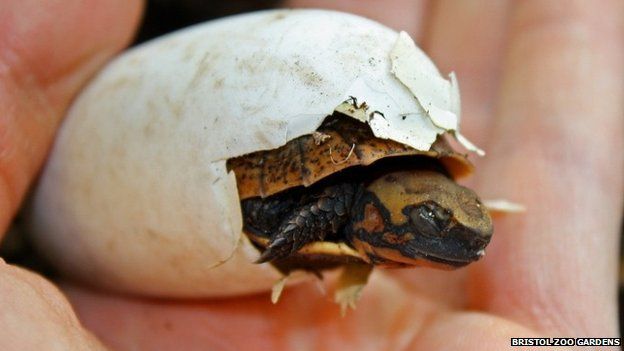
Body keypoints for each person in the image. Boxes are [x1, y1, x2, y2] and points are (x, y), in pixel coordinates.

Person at [1, 1, 621, 349]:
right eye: (434, 219)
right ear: (375, 214)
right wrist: (286, 244)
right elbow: (289, 200)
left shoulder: (377, 218)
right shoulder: (337, 207)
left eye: (463, 219)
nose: (467, 239)